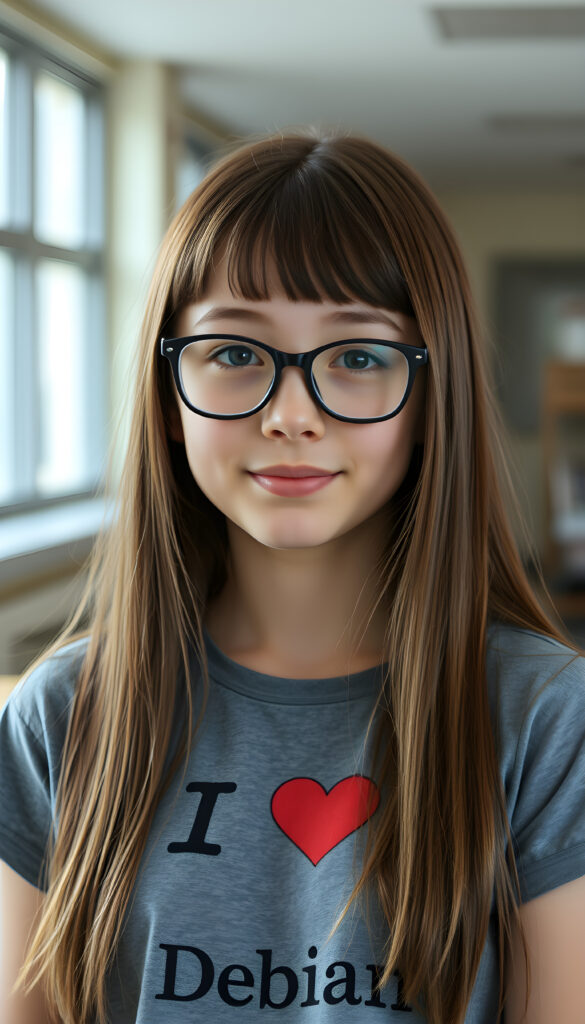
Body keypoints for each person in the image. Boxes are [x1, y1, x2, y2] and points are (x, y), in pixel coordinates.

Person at [1, 130, 584, 1024]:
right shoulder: (64, 715)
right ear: (167, 395)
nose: (290, 415)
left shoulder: (545, 719)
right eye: (235, 353)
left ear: (434, 396)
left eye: (357, 357)